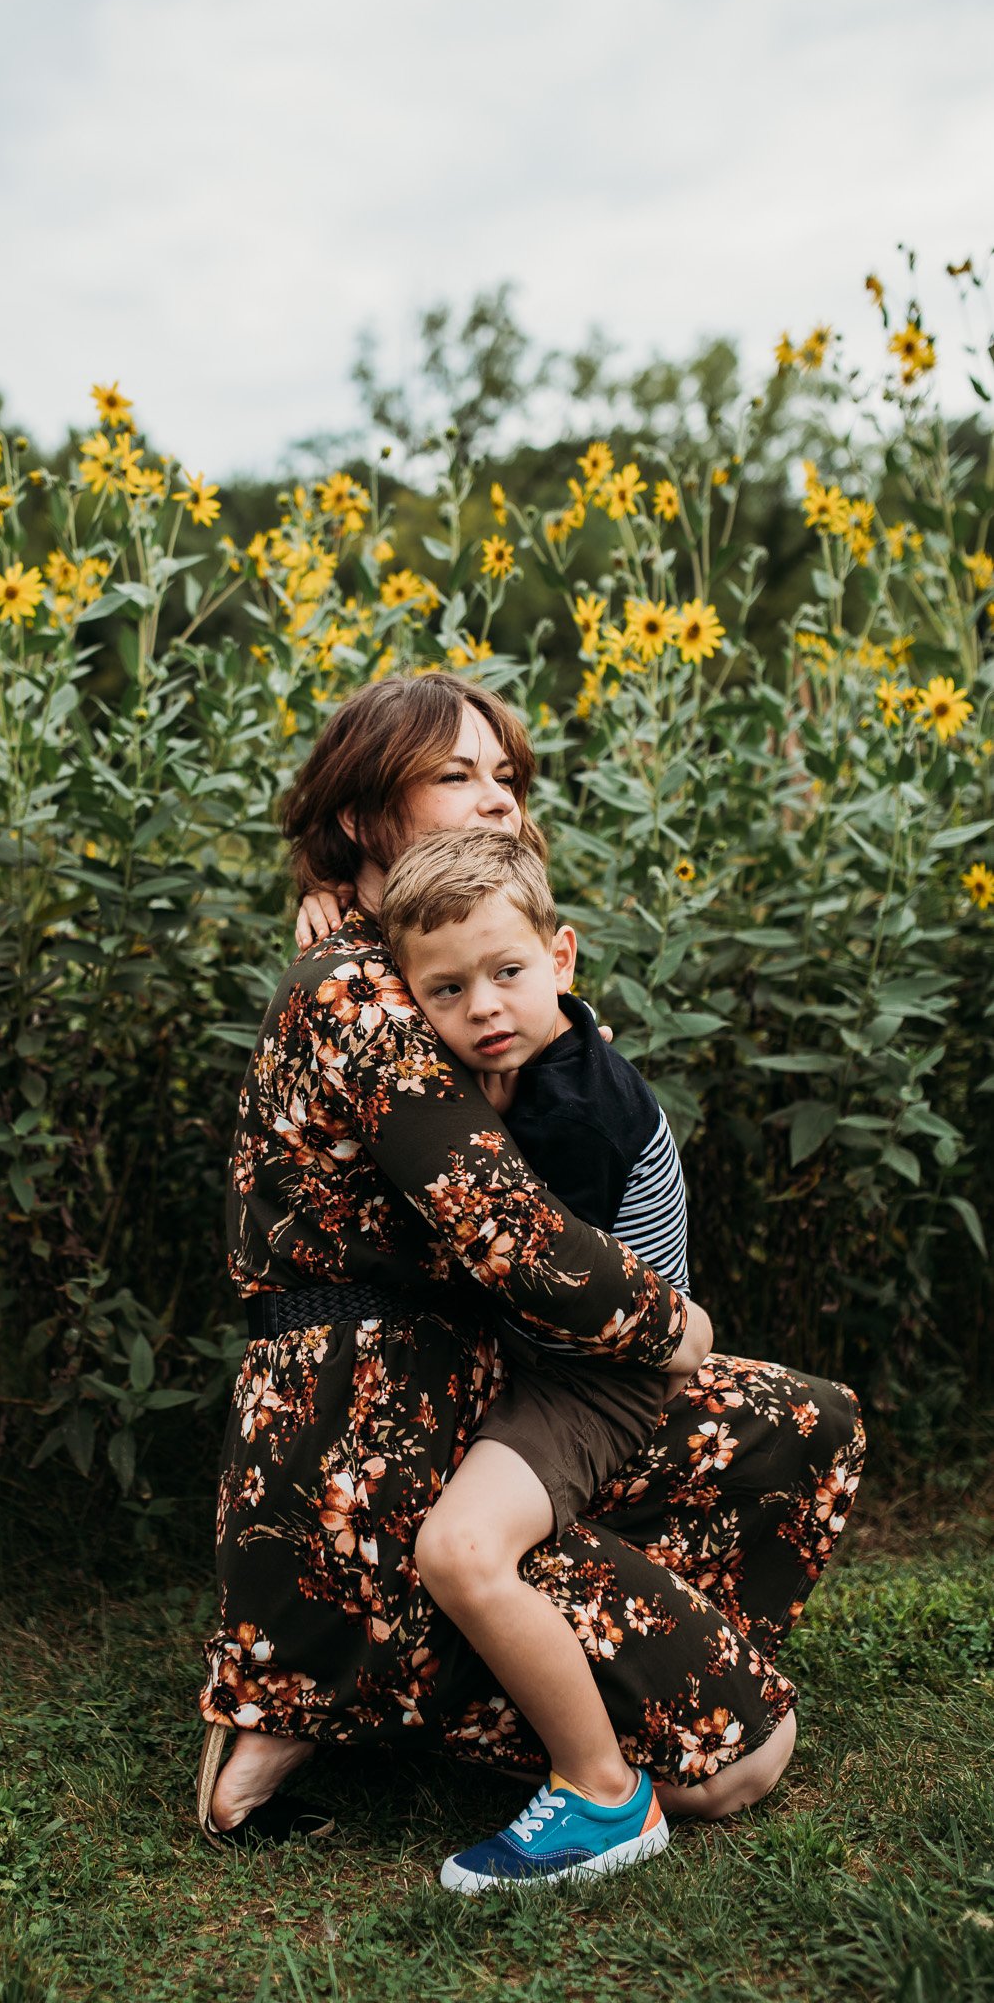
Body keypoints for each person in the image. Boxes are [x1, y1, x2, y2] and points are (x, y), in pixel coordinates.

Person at [197, 671, 865, 1891]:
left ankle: (373, 1677)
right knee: (737, 1755)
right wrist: (680, 1322)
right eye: (458, 773)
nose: (497, 799)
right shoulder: (357, 988)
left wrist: (335, 893)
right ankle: (557, 1739)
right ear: (359, 814)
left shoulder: (415, 954)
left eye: (505, 775)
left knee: (801, 1417)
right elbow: (520, 1239)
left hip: (494, 1376)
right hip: (385, 1421)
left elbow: (551, 1062)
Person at [377, 823, 701, 1889]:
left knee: (461, 1549)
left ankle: (603, 1790)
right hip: (550, 1351)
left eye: (508, 972)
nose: (482, 1007)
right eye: (446, 989)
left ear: (560, 957)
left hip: (601, 1373)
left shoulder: (577, 1109)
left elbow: (535, 1272)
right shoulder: (526, 1058)